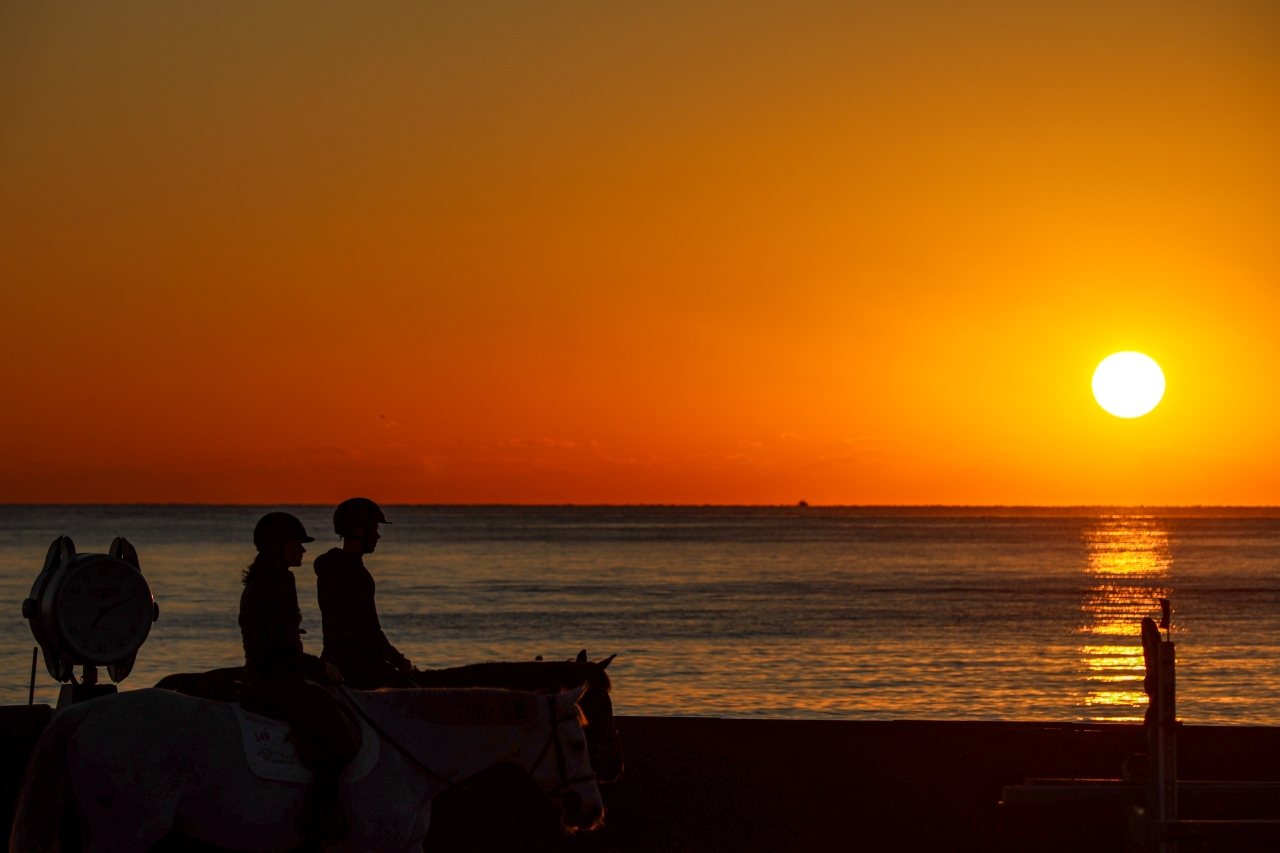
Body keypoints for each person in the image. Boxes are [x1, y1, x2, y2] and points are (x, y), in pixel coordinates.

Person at [239, 511, 356, 850]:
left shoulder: (265, 577)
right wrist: (318, 667)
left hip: (265, 672)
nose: (303, 550)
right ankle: (317, 817)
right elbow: (280, 644)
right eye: (297, 545)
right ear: (278, 546)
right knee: (339, 741)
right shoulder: (278, 581)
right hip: (276, 678)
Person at [314, 498, 415, 689]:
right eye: (374, 529)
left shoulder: (333, 568)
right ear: (360, 531)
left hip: (335, 658)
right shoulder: (353, 574)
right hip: (357, 666)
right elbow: (369, 629)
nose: (378, 536)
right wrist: (398, 661)